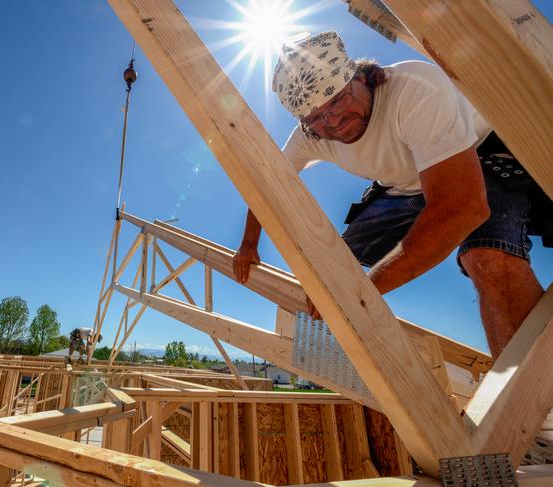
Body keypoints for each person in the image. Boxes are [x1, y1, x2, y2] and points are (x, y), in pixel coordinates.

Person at [232, 31, 550, 359]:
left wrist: (361, 294)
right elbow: (268, 185)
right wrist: (248, 245)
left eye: (338, 100)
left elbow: (462, 208)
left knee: (487, 259)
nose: (335, 122)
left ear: (359, 77)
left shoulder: (413, 90)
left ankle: (536, 394)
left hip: (475, 155)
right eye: (316, 118)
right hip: (403, 187)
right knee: (335, 270)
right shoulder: (310, 136)